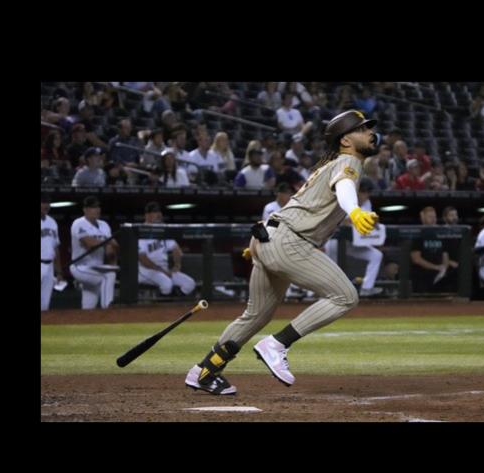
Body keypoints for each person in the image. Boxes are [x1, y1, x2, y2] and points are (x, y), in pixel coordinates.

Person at [184, 109, 380, 395]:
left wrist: (265, 247)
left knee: (256, 315)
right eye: (362, 129)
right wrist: (354, 210)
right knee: (346, 296)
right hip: (289, 240)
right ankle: (277, 344)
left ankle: (204, 371)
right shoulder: (348, 161)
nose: (370, 133)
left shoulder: (332, 163)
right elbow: (345, 188)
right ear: (345, 140)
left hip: (270, 236)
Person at [325, 178, 384, 297]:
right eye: (362, 191)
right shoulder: (346, 199)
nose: (364, 195)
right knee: (329, 271)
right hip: (334, 242)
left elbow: (368, 221)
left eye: (367, 192)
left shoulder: (367, 203)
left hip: (353, 243)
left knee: (376, 255)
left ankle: (367, 288)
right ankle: (314, 294)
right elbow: (344, 221)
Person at [69, 196, 118, 310]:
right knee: (108, 276)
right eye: (92, 207)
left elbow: (112, 248)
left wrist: (112, 261)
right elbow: (89, 243)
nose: (97, 209)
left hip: (97, 268)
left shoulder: (104, 225)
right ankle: (108, 308)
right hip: (80, 267)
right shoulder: (79, 223)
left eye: (97, 207)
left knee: (88, 308)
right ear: (85, 209)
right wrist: (109, 241)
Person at [137, 202, 196, 296]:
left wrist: (177, 265)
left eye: (159, 212)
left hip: (164, 269)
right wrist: (162, 271)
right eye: (155, 212)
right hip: (146, 271)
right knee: (167, 284)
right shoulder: (141, 231)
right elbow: (143, 259)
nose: (158, 214)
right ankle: (158, 308)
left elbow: (176, 249)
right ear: (147, 215)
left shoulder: (163, 229)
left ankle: (173, 305)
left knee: (189, 284)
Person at [410, 207, 454, 294]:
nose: (433, 220)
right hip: (422, 275)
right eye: (430, 217)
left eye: (434, 217)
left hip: (438, 276)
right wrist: (436, 267)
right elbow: (416, 259)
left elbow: (445, 255)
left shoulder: (440, 233)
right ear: (423, 218)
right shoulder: (418, 234)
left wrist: (443, 268)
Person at [41, 194, 63, 311]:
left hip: (49, 266)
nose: (46, 205)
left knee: (45, 304)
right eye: (43, 202)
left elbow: (55, 247)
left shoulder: (52, 222)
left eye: (47, 203)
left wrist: (58, 271)